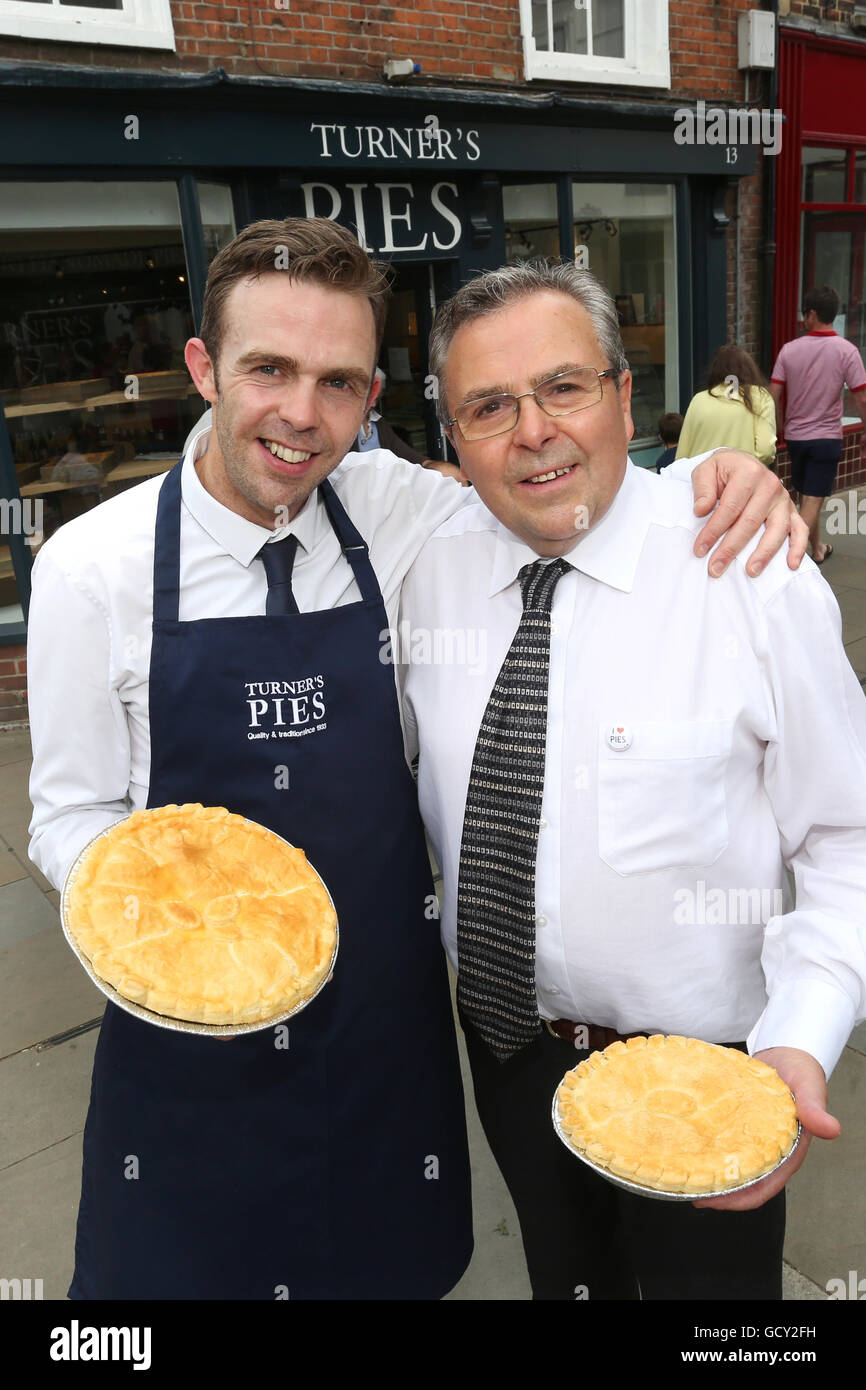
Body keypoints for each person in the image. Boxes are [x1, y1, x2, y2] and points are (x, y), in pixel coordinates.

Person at [27, 220, 803, 1301]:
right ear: (203, 367)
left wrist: (721, 472)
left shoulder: (404, 517)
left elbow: (555, 477)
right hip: (189, 1055)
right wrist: (176, 930)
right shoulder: (89, 571)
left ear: (371, 399)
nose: (303, 415)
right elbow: (65, 814)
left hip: (382, 1043)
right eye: (269, 369)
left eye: (339, 382)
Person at [398, 260, 865, 1300]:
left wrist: (800, 1035)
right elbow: (276, 451)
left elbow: (847, 834)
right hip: (511, 1057)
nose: (531, 431)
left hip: (707, 1073)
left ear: (619, 394)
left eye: (562, 387)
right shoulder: (423, 569)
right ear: (451, 440)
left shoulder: (746, 569)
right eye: (487, 406)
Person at [770, 285, 866, 564]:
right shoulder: (847, 351)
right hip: (826, 438)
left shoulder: (789, 350)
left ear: (812, 314)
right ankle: (790, 556)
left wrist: (778, 429)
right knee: (812, 500)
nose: (803, 319)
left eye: (804, 313)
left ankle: (818, 547)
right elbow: (861, 398)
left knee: (807, 498)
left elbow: (773, 395)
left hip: (796, 437)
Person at [677, 344, 776, 468]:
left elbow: (681, 456)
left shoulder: (698, 399)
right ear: (750, 369)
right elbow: (765, 451)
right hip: (741, 479)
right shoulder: (760, 397)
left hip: (699, 480)